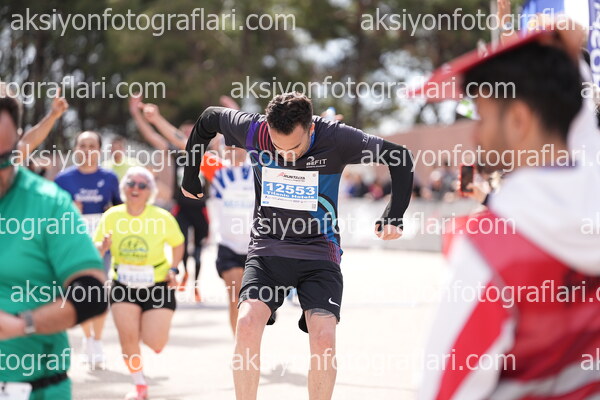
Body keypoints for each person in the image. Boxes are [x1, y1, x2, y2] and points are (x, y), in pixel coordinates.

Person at [181, 92, 414, 400]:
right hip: (268, 249)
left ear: (311, 128)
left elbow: (400, 156)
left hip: (319, 253)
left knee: (324, 338)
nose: (286, 156)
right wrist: (190, 174)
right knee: (247, 323)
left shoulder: (336, 137)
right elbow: (210, 118)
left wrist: (394, 215)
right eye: (277, 147)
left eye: (294, 148)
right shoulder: (254, 130)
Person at [417, 25, 600, 400]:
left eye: (482, 117)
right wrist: (567, 65)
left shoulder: (492, 250)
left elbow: (445, 390)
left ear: (519, 119)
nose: (475, 135)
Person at [0, 90, 108, 399]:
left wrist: (23, 324)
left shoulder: (48, 203)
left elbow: (91, 294)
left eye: (3, 160)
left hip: (34, 388)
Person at [94, 166, 184, 400]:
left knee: (154, 341)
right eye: (131, 183)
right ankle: (140, 384)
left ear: (149, 191)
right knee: (128, 338)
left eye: (142, 185)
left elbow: (178, 243)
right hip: (122, 284)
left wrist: (174, 268)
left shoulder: (161, 217)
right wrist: (102, 247)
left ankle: (153, 334)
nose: (135, 188)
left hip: (157, 285)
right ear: (123, 188)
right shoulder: (112, 216)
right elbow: (96, 248)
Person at [129, 95, 213, 302]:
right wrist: (136, 114)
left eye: (192, 132)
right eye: (185, 133)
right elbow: (152, 136)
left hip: (201, 206)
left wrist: (234, 109)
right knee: (180, 241)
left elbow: (227, 136)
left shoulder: (208, 153)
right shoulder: (177, 152)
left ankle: (196, 284)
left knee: (199, 249)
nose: (188, 137)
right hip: (181, 205)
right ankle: (183, 273)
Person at [54, 130, 121, 367]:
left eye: (92, 146)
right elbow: (53, 214)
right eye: (82, 145)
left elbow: (120, 209)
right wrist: (70, 210)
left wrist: (110, 216)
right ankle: (88, 337)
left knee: (100, 291)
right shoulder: (63, 179)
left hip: (103, 242)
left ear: (99, 150)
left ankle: (97, 341)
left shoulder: (110, 178)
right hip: (75, 243)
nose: (87, 150)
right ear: (75, 149)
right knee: (81, 292)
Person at [208, 144, 254, 334]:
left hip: (255, 247)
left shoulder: (258, 170)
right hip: (228, 245)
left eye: (237, 146)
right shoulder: (216, 169)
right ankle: (238, 345)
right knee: (235, 297)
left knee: (253, 301)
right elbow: (185, 145)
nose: (233, 151)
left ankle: (250, 342)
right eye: (228, 147)